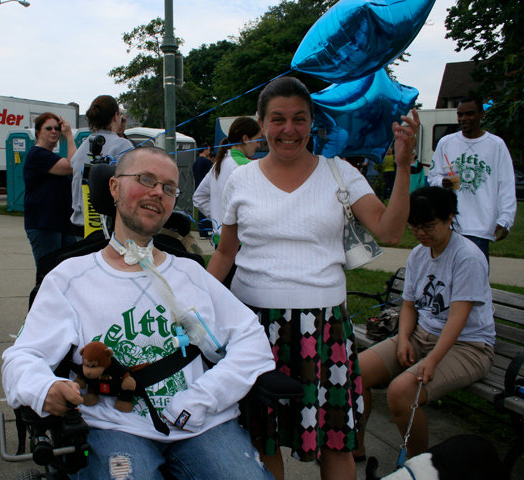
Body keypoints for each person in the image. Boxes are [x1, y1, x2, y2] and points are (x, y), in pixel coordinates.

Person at [2, 146, 276, 480]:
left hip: (203, 424)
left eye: (169, 187)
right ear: (114, 188)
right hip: (113, 426)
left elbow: (251, 340)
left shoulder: (191, 274)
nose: (157, 192)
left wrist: (202, 399)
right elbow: (23, 356)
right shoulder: (68, 278)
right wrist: (44, 388)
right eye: (145, 179)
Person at [206, 76, 419, 480]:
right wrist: (197, 303)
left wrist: (404, 167)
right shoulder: (240, 179)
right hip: (254, 326)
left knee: (333, 439)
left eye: (299, 119)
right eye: (278, 119)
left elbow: (389, 232)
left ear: (313, 122)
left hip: (324, 329)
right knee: (259, 439)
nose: (289, 130)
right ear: (261, 122)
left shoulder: (339, 173)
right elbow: (225, 251)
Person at [355, 186, 495, 460]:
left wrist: (431, 361)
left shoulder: (467, 257)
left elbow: (457, 318)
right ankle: (355, 446)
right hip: (421, 335)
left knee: (401, 393)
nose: (421, 234)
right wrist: (404, 338)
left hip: (468, 346)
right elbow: (408, 305)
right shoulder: (419, 254)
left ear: (449, 218)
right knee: (354, 373)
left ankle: (418, 463)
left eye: (429, 226)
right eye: (415, 227)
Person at [427, 96, 517, 261]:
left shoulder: (496, 145)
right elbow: (433, 177)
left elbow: (506, 184)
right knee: (445, 275)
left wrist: (506, 219)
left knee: (475, 279)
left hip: (480, 227)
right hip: (449, 225)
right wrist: (442, 182)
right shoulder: (446, 143)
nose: (464, 119)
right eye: (460, 114)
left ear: (481, 115)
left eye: (469, 114)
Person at [24, 112, 77, 281]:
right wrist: (68, 135)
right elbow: (72, 166)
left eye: (57, 128)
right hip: (44, 224)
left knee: (66, 273)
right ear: (38, 132)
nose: (54, 131)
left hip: (62, 223)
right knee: (48, 275)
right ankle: (40, 306)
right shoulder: (37, 155)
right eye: (49, 128)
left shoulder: (52, 157)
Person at [70, 95, 134, 235]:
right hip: (104, 226)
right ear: (116, 116)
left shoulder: (85, 144)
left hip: (79, 223)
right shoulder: (123, 145)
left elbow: (73, 165)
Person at [192, 117, 261, 245]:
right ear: (245, 139)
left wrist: (217, 217)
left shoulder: (219, 163)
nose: (259, 145)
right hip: (241, 241)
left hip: (221, 240)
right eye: (257, 140)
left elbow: (198, 197)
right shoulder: (246, 166)